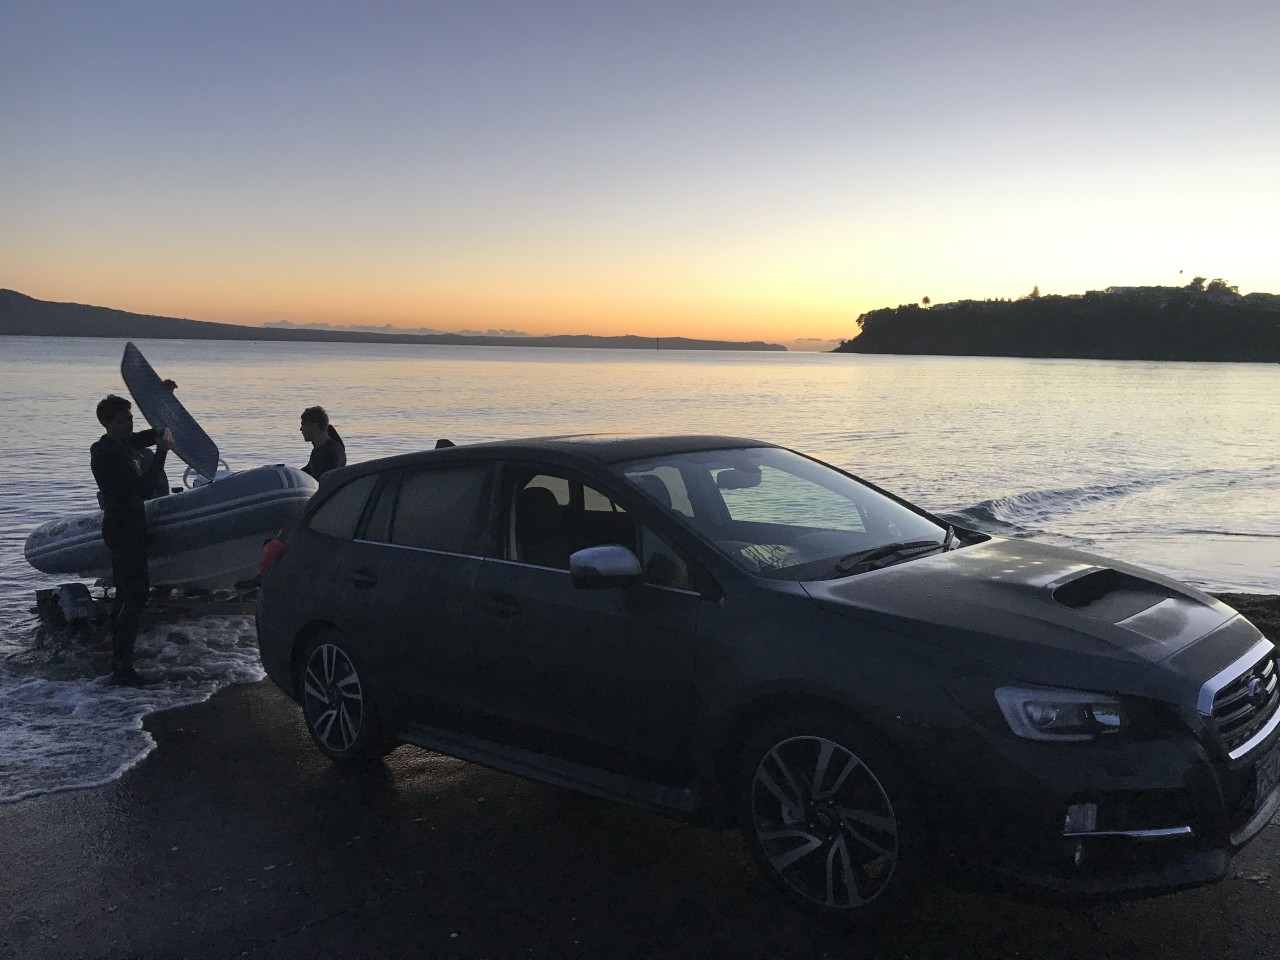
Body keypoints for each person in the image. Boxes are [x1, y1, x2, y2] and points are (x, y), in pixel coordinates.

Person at [90, 394, 173, 686]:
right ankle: (123, 667)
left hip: (132, 528)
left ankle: (121, 662)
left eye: (130, 420)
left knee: (127, 596)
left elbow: (148, 435)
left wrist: (163, 397)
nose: (128, 426)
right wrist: (162, 453)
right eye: (122, 422)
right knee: (135, 596)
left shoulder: (122, 444)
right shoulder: (104, 452)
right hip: (122, 530)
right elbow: (142, 488)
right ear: (106, 423)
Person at [300, 405, 346, 480]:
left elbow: (326, 479)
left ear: (314, 426)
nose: (301, 429)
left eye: (303, 425)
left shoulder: (331, 452)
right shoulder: (318, 449)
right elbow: (308, 470)